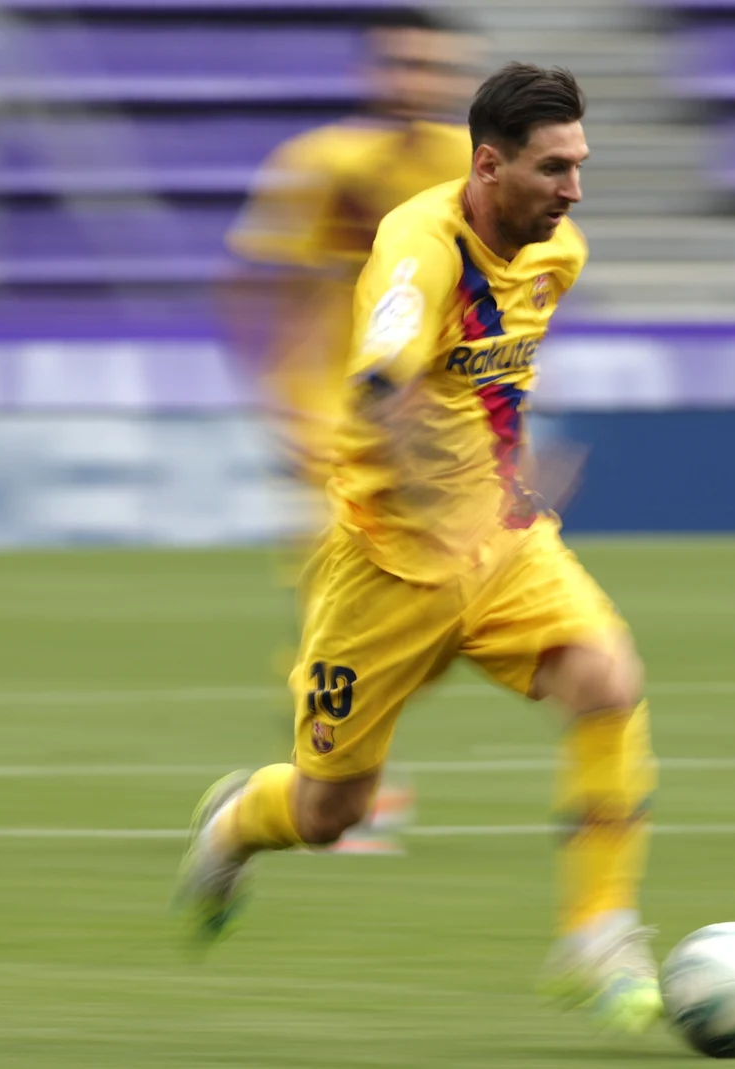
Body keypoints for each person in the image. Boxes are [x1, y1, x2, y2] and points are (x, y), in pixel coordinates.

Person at [178, 63, 664, 1034]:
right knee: (331, 813)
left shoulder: (555, 253)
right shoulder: (415, 245)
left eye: (580, 165)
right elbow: (382, 385)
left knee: (608, 680)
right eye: (554, 167)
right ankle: (235, 820)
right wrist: (435, 496)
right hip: (384, 567)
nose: (573, 189)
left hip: (503, 547)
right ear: (489, 165)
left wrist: (503, 481)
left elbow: (487, 385)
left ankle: (598, 930)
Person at [222, 8, 478, 853]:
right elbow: (266, 289)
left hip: (422, 428)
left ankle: (325, 784)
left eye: (428, 65)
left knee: (437, 615)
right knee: (343, 616)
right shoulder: (322, 165)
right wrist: (279, 400)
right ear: (373, 72)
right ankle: (331, 796)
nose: (412, 80)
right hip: (333, 426)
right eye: (399, 63)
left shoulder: (460, 165)